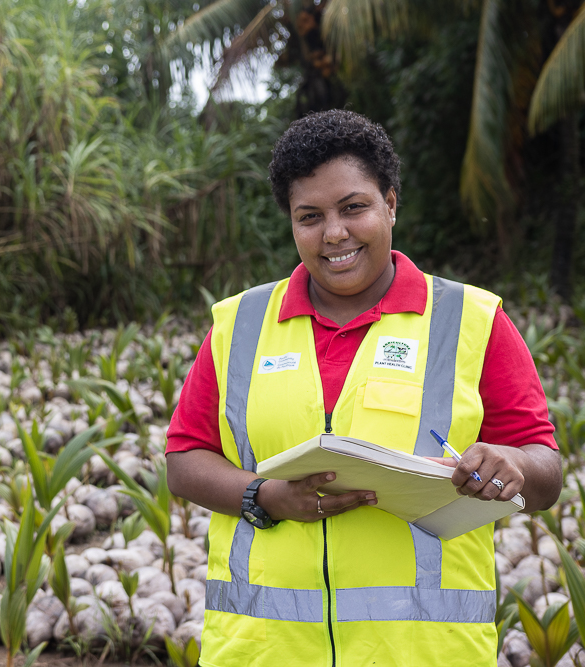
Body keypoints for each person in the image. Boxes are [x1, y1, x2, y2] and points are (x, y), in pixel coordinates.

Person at [164, 109, 562, 667]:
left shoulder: (471, 319)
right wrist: (266, 496)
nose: (334, 233)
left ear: (390, 203)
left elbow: (545, 473)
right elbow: (184, 459)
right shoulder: (241, 324)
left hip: (423, 652)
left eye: (354, 207)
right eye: (310, 216)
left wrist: (512, 465)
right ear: (292, 225)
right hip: (262, 650)